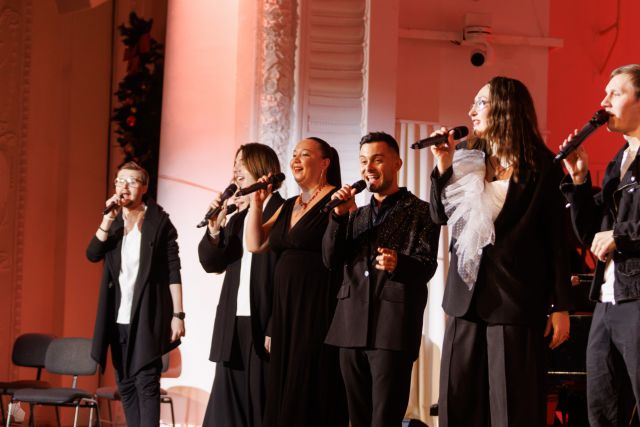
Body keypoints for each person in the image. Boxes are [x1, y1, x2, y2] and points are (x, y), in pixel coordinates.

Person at [429, 76, 573, 427]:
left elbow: (557, 240)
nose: (471, 111)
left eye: (480, 103)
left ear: (506, 107)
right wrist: (444, 167)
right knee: (458, 401)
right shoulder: (467, 155)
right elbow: (440, 215)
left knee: (512, 406)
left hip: (515, 300)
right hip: (465, 298)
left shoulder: (542, 166)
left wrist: (561, 306)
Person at [322, 131, 440, 427]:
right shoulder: (355, 214)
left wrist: (399, 263)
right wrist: (338, 217)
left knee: (385, 418)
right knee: (357, 418)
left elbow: (427, 267)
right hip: (350, 327)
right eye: (363, 161)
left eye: (377, 160)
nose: (368, 168)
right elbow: (330, 260)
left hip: (392, 329)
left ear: (397, 163)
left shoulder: (422, 212)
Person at [245, 137, 348, 427]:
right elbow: (255, 243)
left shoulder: (337, 199)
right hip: (285, 309)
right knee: (285, 381)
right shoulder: (290, 204)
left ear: (324, 162)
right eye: (293, 155)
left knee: (307, 382)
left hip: (316, 307)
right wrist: (256, 204)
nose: (295, 160)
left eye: (304, 154)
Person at [560, 64, 640, 426]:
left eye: (616, 93)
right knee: (603, 411)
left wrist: (620, 235)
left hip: (637, 298)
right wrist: (579, 181)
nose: (604, 102)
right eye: (605, 93)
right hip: (608, 301)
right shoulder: (618, 162)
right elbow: (590, 234)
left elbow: (614, 235)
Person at [87, 161, 185, 427]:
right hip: (118, 316)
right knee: (126, 383)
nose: (124, 186)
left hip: (148, 315)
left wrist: (178, 314)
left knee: (146, 381)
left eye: (131, 181)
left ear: (144, 187)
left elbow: (173, 270)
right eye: (120, 181)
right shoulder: (114, 223)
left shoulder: (159, 222)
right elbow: (92, 254)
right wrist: (107, 218)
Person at [199, 143, 284, 427]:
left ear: (262, 170)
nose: (235, 171)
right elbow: (212, 264)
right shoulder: (237, 220)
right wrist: (214, 228)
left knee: (261, 409)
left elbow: (287, 279)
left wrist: (275, 324)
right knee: (227, 413)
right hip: (233, 326)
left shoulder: (284, 212)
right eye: (234, 165)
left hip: (264, 325)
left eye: (242, 165)